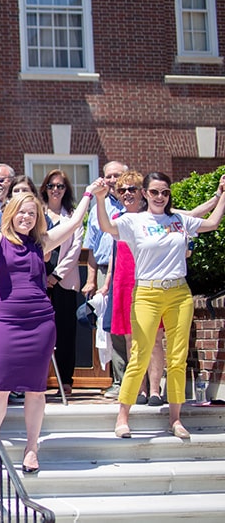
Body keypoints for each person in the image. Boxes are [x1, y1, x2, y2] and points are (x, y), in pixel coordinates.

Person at [0, 177, 104, 473]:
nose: (26, 217)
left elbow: (72, 226)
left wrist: (86, 194)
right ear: (11, 214)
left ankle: (32, 449)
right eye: (21, 212)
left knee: (36, 389)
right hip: (8, 321)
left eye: (32, 213)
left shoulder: (41, 243)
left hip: (41, 322)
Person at [96, 171, 225, 440]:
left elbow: (212, 223)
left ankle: (175, 419)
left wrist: (222, 195)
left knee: (176, 359)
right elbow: (107, 227)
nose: (159, 197)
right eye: (154, 192)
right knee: (140, 355)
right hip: (146, 292)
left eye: (164, 192)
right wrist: (98, 199)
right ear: (145, 193)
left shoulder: (178, 219)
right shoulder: (134, 220)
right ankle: (123, 417)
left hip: (179, 293)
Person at [83, 161, 129, 398]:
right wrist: (91, 280)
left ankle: (130, 382)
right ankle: (119, 380)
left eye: (117, 175)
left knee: (124, 327)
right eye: (108, 176)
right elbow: (91, 248)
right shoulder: (96, 208)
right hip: (103, 270)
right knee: (108, 327)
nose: (112, 180)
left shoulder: (134, 204)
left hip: (128, 271)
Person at [40, 169, 83, 396]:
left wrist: (56, 276)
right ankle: (39, 380)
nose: (55, 190)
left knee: (66, 332)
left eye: (60, 186)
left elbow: (75, 250)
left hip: (64, 282)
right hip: (38, 281)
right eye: (51, 186)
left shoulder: (73, 216)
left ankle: (65, 380)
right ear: (44, 189)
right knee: (41, 333)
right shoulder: (37, 214)